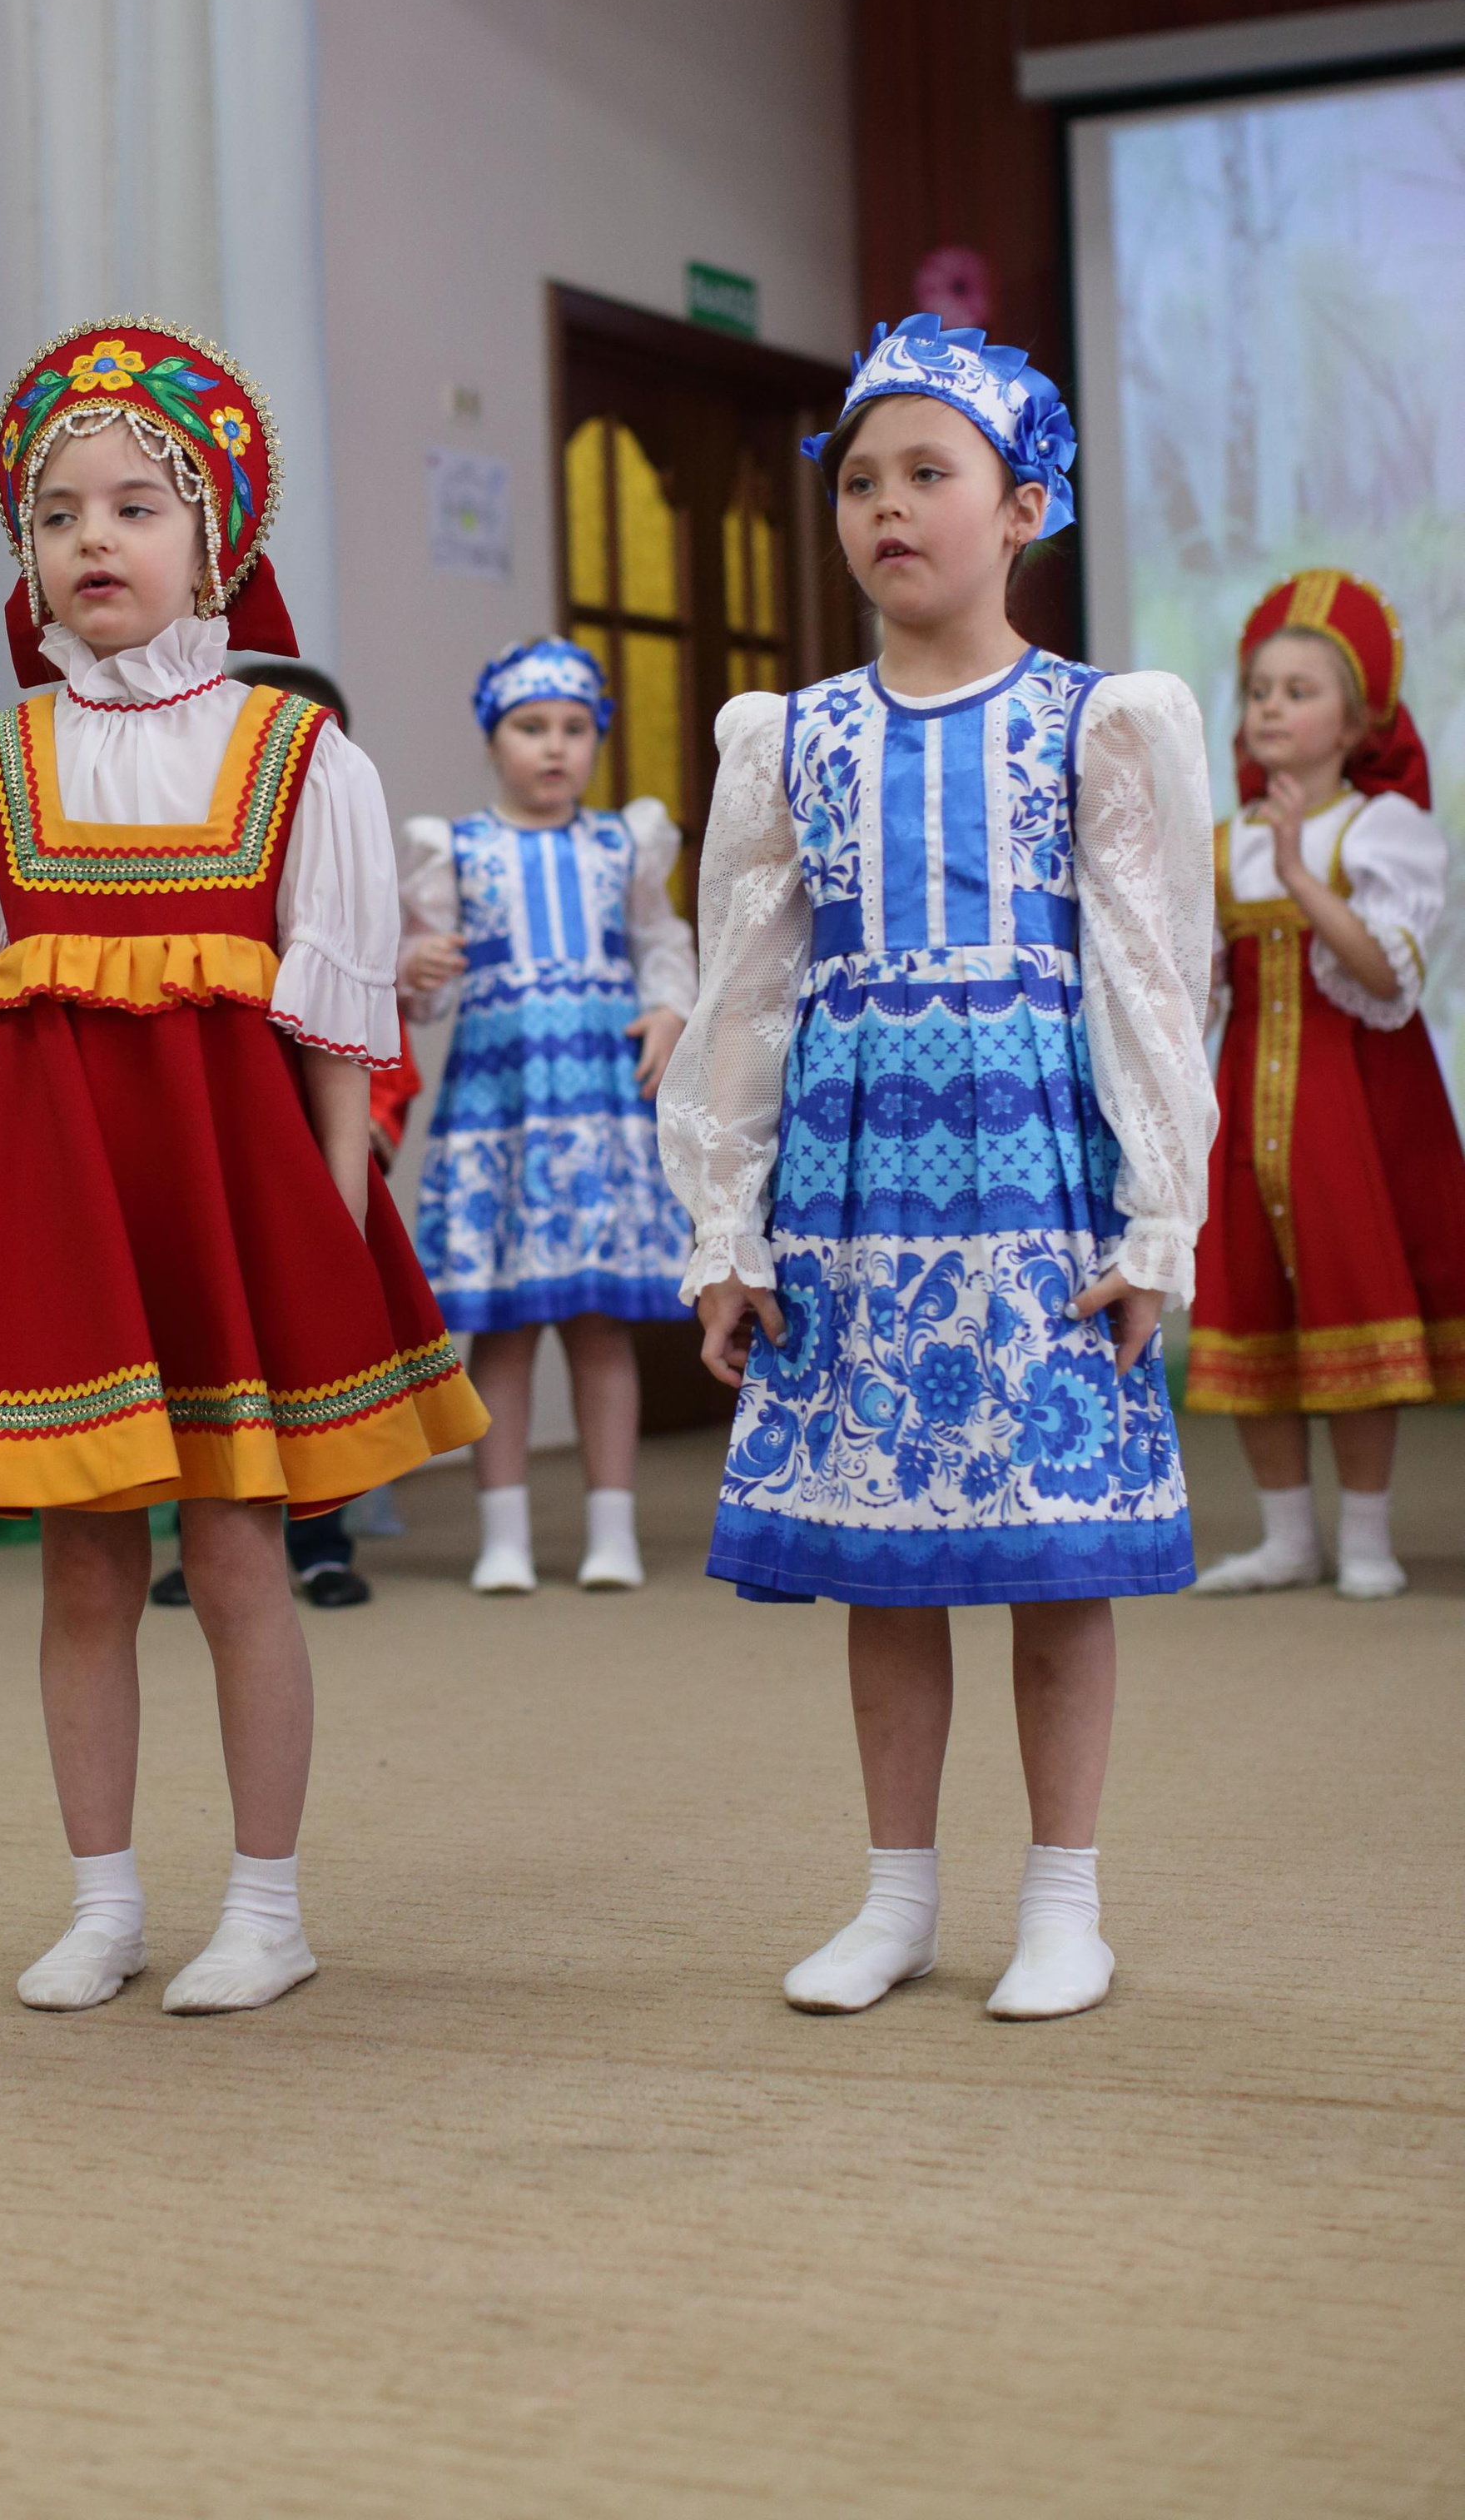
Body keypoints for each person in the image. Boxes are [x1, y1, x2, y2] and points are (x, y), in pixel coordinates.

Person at [0, 322, 485, 2016]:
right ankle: (102, 1896)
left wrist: (340, 1230)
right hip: (59, 1222)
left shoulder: (299, 762)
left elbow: (343, 1032)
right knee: (77, 1559)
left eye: (135, 506)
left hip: (233, 1218)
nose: (92, 542)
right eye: (56, 515)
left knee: (232, 1551)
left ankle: (263, 1905)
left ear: (217, 540)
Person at [658, 316, 1215, 2020]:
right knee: (879, 1555)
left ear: (1021, 504)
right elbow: (745, 989)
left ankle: (1063, 1898)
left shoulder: (1097, 720)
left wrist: (1154, 1218)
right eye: (856, 480)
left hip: (1034, 1184)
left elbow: (1146, 972)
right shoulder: (790, 738)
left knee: (1048, 1552)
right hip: (853, 1192)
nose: (884, 505)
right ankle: (895, 1891)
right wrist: (722, 1228)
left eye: (926, 473)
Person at [1189, 574, 1465, 1600]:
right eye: (1258, 689)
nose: (1269, 707)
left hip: (1349, 1106)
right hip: (1242, 1102)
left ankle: (1365, 1536)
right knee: (1249, 1297)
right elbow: (1200, 990)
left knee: (1353, 1292)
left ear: (1358, 723)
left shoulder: (1381, 833)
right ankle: (1285, 1537)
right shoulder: (1219, 845)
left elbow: (1389, 973)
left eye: (1298, 691)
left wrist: (1304, 875)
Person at [399, 639, 696, 1595]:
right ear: (495, 741)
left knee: (603, 1325)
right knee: (507, 1330)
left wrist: (669, 1007)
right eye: (532, 729)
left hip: (599, 1114)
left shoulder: (623, 843)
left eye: (573, 729)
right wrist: (418, 974)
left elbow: (661, 941)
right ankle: (504, 1534)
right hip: (503, 1109)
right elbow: (423, 987)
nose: (554, 748)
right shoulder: (458, 849)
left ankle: (613, 1528)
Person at [147, 652, 412, 1614]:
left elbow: (381, 1050)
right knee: (211, 1353)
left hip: (305, 1162)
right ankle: (199, 1530)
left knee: (303, 1357)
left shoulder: (347, 895)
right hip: (222, 1159)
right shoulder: (213, 882)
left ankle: (324, 1537)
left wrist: (369, 1138)